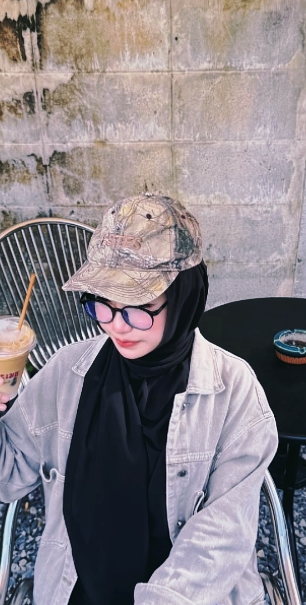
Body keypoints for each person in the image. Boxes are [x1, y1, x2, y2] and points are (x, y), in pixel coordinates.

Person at [0, 194, 278, 605]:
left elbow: (219, 541)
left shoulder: (235, 393)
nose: (117, 327)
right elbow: (9, 475)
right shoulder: (67, 372)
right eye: (104, 305)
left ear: (184, 296)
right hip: (75, 588)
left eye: (138, 308)